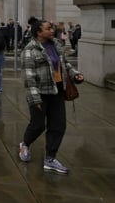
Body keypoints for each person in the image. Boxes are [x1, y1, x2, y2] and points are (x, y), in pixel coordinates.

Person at [19, 19, 84, 175]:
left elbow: (64, 64)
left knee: (58, 125)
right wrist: (35, 99)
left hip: (57, 91)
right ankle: (25, 143)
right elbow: (29, 78)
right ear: (39, 33)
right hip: (40, 93)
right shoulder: (30, 50)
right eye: (48, 28)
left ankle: (50, 158)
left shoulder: (56, 44)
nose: (52, 30)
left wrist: (75, 75)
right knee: (38, 124)